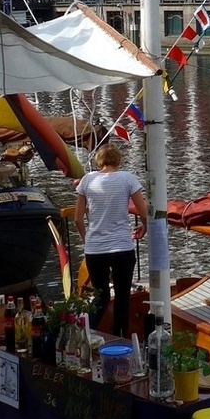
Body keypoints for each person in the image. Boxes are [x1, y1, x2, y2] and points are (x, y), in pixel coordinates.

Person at [74, 144, 148, 339]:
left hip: (95, 250)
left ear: (99, 161)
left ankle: (85, 336)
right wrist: (144, 226)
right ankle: (120, 340)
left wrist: (86, 240)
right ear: (118, 160)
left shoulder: (87, 180)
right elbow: (144, 212)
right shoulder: (127, 179)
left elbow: (77, 219)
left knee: (100, 297)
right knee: (122, 298)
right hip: (122, 247)